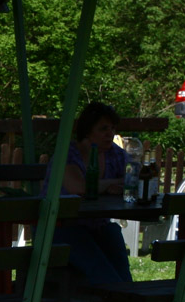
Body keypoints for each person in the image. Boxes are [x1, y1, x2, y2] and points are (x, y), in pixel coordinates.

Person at [47, 101, 132, 285]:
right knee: (105, 275)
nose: (110, 133)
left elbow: (135, 179)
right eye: (103, 129)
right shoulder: (68, 154)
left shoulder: (115, 154)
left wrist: (116, 185)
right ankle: (118, 296)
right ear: (87, 131)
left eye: (112, 128)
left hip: (97, 226)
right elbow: (79, 187)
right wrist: (112, 184)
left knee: (112, 233)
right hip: (61, 228)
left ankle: (126, 294)